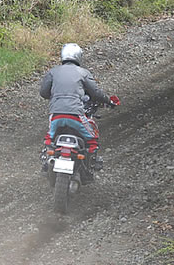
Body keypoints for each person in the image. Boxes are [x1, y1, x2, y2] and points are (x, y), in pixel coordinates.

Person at [39, 43, 119, 174]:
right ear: (78, 57)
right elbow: (96, 93)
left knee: (50, 138)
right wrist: (108, 101)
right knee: (92, 138)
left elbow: (43, 93)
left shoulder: (53, 72)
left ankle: (46, 160)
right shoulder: (83, 73)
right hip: (76, 115)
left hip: (56, 115)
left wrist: (56, 96)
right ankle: (93, 163)